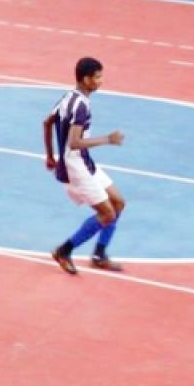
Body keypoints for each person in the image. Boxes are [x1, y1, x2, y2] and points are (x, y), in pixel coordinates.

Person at [45, 57, 127, 274]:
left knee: (118, 202)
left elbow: (47, 122)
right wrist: (108, 139)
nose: (101, 81)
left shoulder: (69, 97)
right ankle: (64, 250)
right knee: (107, 214)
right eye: (97, 77)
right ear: (85, 79)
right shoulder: (80, 106)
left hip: (84, 161)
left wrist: (50, 155)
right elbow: (74, 142)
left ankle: (99, 255)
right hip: (76, 167)